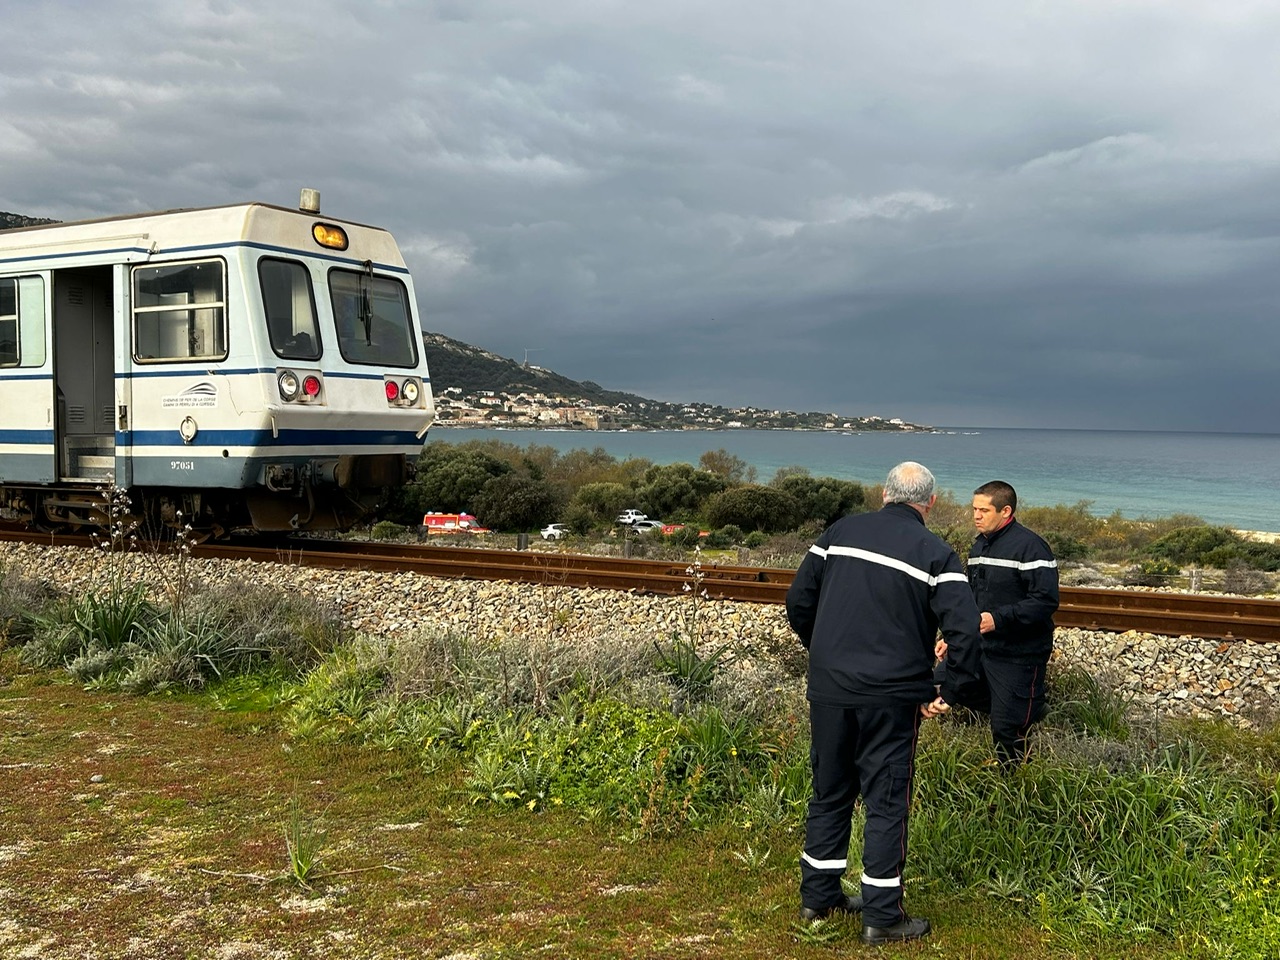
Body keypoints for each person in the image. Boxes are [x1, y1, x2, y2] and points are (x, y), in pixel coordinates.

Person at [786, 461, 983, 946]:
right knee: (886, 803)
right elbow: (965, 631)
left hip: (830, 689)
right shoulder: (937, 553)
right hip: (891, 697)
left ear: (883, 494)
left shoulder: (839, 532)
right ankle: (881, 917)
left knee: (829, 791)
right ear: (930, 503)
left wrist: (829, 654)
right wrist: (946, 691)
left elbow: (798, 603)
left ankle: (819, 897)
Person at [937, 480, 1059, 766]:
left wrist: (998, 620)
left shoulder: (1031, 547)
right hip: (982, 647)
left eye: (983, 510)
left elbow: (1045, 601)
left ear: (1006, 511)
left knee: (1006, 730)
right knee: (942, 683)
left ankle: (1014, 786)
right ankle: (1027, 706)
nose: (975, 516)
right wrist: (952, 636)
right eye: (974, 509)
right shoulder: (979, 547)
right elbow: (971, 600)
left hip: (1018, 653)